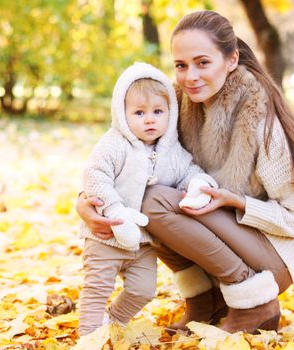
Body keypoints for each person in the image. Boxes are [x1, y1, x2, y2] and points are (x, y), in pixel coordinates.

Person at [77, 11, 294, 335]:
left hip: (275, 253)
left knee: (154, 201)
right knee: (147, 197)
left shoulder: (260, 120)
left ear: (231, 59)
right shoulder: (176, 105)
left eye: (202, 62)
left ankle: (254, 302)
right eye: (181, 65)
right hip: (228, 236)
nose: (190, 76)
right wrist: (86, 200)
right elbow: (129, 158)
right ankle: (205, 301)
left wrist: (237, 202)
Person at [78, 62, 217, 336]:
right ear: (122, 113)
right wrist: (115, 208)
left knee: (144, 289)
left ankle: (114, 322)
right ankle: (89, 337)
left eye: (157, 112)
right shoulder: (114, 144)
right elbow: (94, 176)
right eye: (139, 113)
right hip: (106, 235)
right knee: (97, 288)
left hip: (143, 242)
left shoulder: (170, 150)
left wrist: (198, 182)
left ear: (170, 113)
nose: (150, 119)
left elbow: (187, 170)